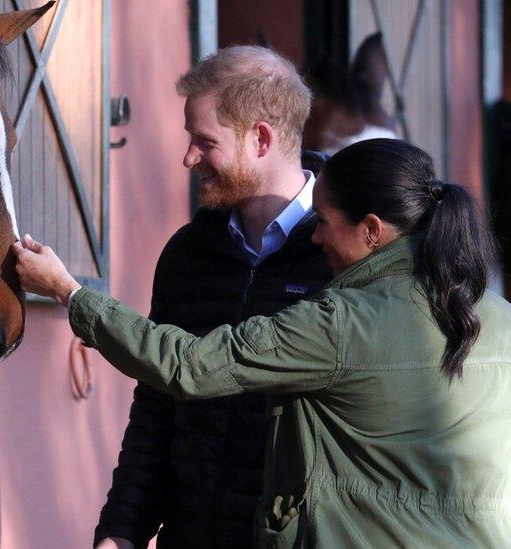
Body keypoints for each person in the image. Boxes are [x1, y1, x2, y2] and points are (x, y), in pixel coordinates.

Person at [13, 138, 511, 548]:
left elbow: (190, 366)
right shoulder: (501, 318)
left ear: (373, 231)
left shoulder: (343, 322)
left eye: (327, 224)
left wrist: (69, 292)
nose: (314, 239)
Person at [90, 45, 332, 548]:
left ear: (260, 139)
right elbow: (157, 404)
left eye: (205, 141)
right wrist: (122, 529)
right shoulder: (188, 253)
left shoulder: (342, 256)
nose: (188, 157)